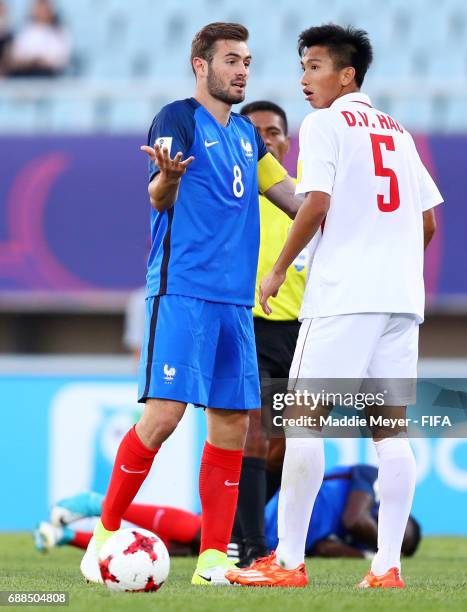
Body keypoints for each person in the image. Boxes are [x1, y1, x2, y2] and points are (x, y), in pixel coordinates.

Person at [80, 22, 300, 587]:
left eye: (247, 61)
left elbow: (294, 199)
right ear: (200, 65)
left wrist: (348, 202)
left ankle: (211, 561)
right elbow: (158, 190)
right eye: (231, 60)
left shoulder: (250, 138)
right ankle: (104, 533)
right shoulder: (178, 118)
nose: (242, 70)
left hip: (235, 304)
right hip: (182, 291)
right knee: (163, 417)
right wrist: (169, 179)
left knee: (230, 423)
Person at [228, 24, 442, 589]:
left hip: (345, 297)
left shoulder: (326, 124)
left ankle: (288, 562)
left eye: (315, 67)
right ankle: (387, 566)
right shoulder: (398, 132)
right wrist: (390, 265)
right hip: (401, 301)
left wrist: (277, 270)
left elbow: (316, 202)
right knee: (390, 432)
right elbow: (427, 221)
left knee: (302, 423)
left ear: (347, 75)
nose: (304, 79)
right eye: (302, 68)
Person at [34, 465, 421, 561]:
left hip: (270, 538)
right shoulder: (368, 482)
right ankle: (96, 504)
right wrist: (379, 550)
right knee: (201, 530)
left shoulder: (351, 541)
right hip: (266, 505)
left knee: (182, 551)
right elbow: (356, 520)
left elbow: (321, 549)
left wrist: (365, 554)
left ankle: (68, 537)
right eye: (399, 535)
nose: (393, 540)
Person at [232, 101, 307, 566]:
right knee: (253, 434)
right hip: (250, 326)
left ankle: (238, 527)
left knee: (287, 445)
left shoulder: (304, 197)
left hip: (303, 332)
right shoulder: (232, 197)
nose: (265, 140)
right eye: (255, 133)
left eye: (273, 132)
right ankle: (253, 547)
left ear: (285, 140)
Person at [7, 0, 71, 77]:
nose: (41, 12)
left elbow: (62, 59)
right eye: (39, 9)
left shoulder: (59, 32)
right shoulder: (25, 32)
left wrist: (42, 61)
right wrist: (30, 61)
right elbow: (16, 56)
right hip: (25, 72)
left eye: (44, 9)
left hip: (49, 74)